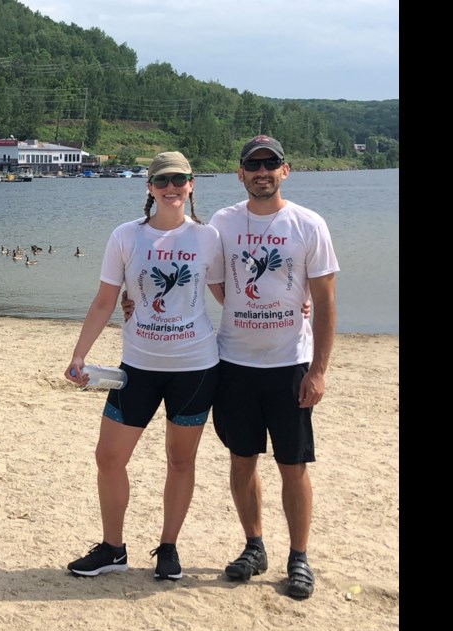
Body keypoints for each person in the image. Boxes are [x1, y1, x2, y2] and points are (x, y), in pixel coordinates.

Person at [64, 151, 224, 581]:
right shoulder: (125, 236)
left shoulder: (208, 238)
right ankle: (113, 548)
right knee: (109, 457)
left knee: (180, 460)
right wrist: (79, 354)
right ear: (150, 188)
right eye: (162, 180)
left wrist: (290, 307)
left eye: (180, 179)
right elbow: (105, 301)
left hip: (196, 367)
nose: (171, 186)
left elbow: (231, 295)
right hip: (137, 366)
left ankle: (168, 548)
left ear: (192, 185)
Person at [209, 135, 338, 600]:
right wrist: (250, 307)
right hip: (235, 364)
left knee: (293, 464)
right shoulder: (223, 222)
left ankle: (299, 557)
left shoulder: (308, 224)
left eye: (271, 164)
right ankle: (254, 546)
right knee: (242, 460)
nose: (262, 172)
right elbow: (217, 282)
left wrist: (318, 370)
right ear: (240, 173)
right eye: (253, 165)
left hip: (289, 365)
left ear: (286, 170)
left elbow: (324, 302)